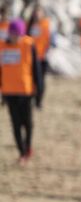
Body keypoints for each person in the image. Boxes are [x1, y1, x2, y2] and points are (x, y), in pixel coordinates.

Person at [1, 20, 37, 164]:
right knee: (15, 123)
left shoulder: (28, 45)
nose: (15, 36)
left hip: (25, 91)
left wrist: (38, 90)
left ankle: (28, 147)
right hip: (9, 91)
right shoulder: (2, 47)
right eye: (12, 33)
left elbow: (36, 70)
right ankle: (22, 152)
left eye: (18, 34)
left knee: (27, 123)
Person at [26, 5, 52, 109]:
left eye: (39, 12)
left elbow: (50, 40)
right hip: (30, 58)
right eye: (35, 13)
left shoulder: (46, 24)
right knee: (31, 80)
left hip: (41, 57)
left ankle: (39, 101)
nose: (37, 15)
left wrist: (47, 51)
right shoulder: (29, 25)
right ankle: (31, 99)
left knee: (41, 81)